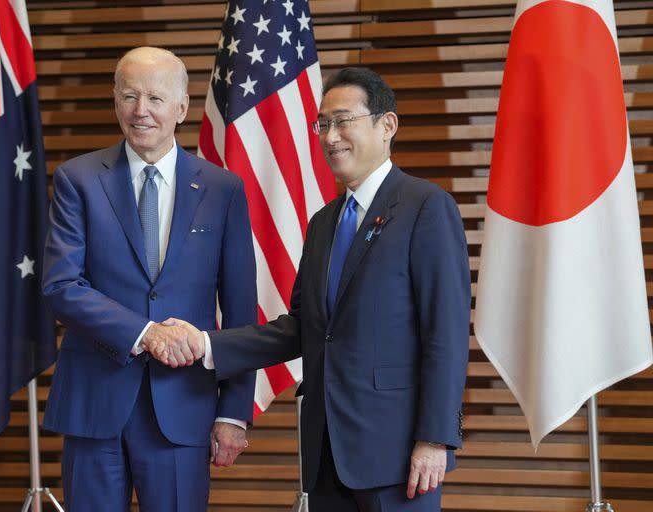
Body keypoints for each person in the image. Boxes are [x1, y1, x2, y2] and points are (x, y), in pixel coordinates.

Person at [149, 67, 470, 512]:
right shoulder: (324, 223)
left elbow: (447, 334)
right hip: (324, 454)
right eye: (323, 124)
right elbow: (302, 329)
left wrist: (435, 438)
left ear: (387, 125)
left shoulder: (426, 208)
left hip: (398, 454)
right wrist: (205, 344)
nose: (330, 136)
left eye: (344, 121)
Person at [41, 46, 258, 512]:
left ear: (181, 108)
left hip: (184, 408)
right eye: (129, 96)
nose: (141, 111)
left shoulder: (223, 189)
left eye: (156, 99)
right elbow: (61, 286)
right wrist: (145, 333)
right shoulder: (77, 179)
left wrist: (234, 411)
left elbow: (241, 312)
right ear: (115, 102)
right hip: (94, 406)